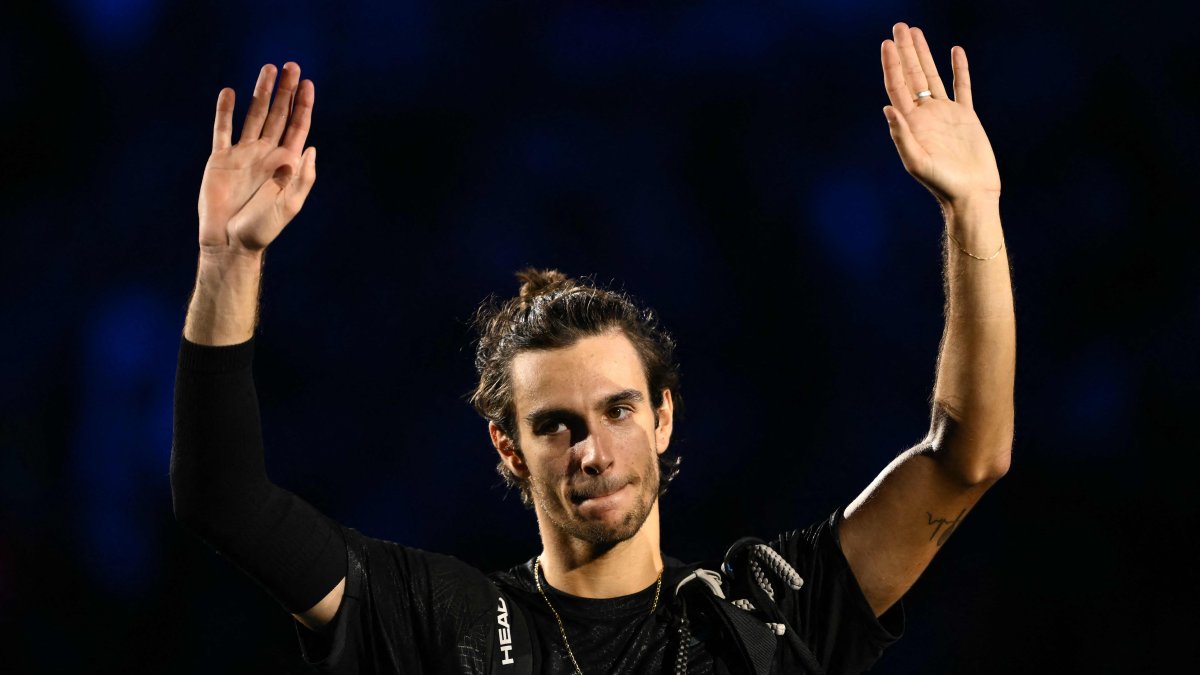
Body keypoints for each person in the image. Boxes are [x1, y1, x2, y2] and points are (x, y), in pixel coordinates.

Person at [171, 22, 1014, 674]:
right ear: (509, 448)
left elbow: (967, 459)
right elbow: (223, 497)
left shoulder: (768, 611)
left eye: (617, 410)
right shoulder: (443, 621)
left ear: (663, 419)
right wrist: (230, 259)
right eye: (556, 425)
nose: (593, 450)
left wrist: (973, 210)